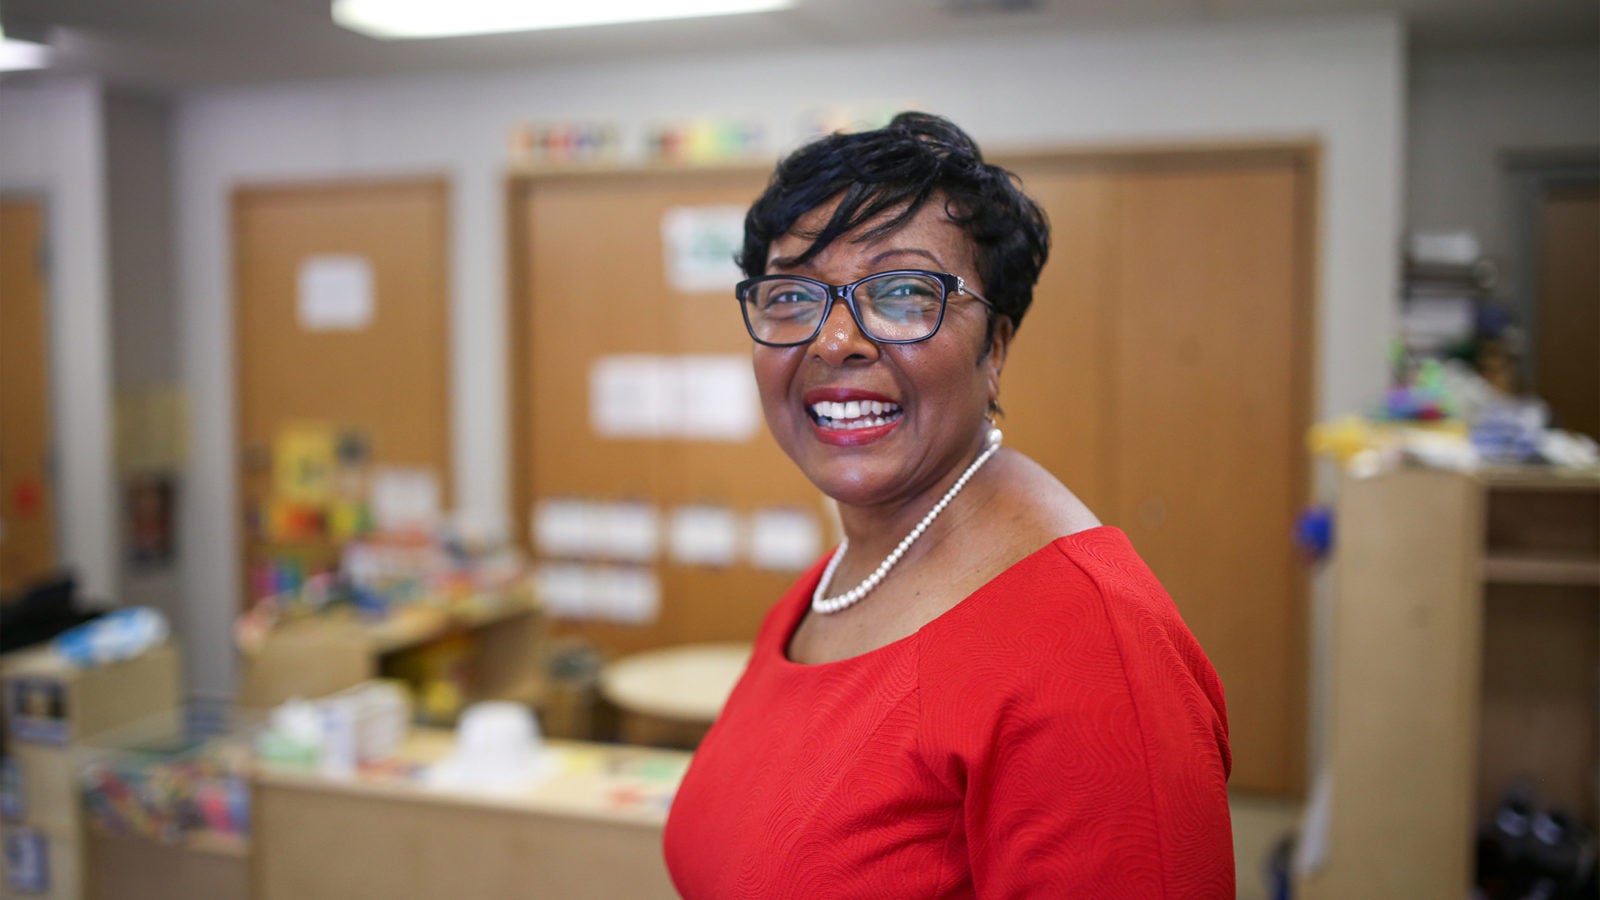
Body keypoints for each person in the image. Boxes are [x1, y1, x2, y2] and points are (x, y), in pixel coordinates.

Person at [662, 112, 1234, 898]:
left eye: (900, 291)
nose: (834, 341)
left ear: (993, 348)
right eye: (792, 295)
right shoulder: (833, 583)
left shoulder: (1091, 645)